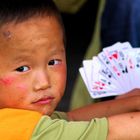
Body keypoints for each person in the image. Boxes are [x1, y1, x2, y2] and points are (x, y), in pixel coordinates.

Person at [1, 0, 140, 139]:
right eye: (22, 68)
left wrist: (132, 102)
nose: (44, 82)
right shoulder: (14, 129)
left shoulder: (17, 117)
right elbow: (113, 133)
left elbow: (72, 118)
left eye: (53, 62)